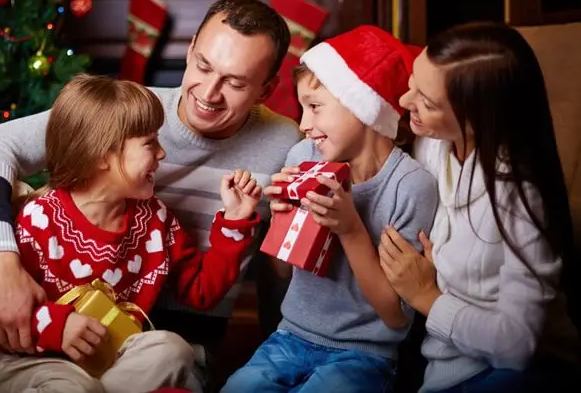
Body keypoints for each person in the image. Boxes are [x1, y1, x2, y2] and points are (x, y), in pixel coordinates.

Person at [0, 0, 303, 393]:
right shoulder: (127, 114)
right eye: (202, 65)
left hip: (162, 339)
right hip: (53, 331)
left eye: (234, 82)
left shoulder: (287, 143)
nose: (209, 93)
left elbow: (293, 261)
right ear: (191, 48)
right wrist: (0, 265)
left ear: (266, 89)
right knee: (2, 193)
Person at [0, 74, 263, 393]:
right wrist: (59, 327)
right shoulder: (39, 219)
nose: (162, 154)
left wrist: (235, 222)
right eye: (149, 143)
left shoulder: (156, 220)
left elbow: (202, 291)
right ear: (103, 155)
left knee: (174, 350)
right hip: (36, 358)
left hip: (113, 360)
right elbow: (3, 311)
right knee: (72, 387)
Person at [221, 25, 439, 393]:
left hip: (364, 353)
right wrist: (282, 219)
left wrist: (351, 229)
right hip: (289, 336)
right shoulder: (303, 156)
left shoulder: (411, 186)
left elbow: (395, 316)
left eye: (315, 107)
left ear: (363, 106)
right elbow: (283, 272)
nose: (304, 125)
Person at [378, 23, 579, 392]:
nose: (406, 103)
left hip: (512, 370)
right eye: (412, 84)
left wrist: (426, 296)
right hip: (440, 361)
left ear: (479, 116)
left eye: (426, 101)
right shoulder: (434, 145)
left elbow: (517, 345)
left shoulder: (517, 194)